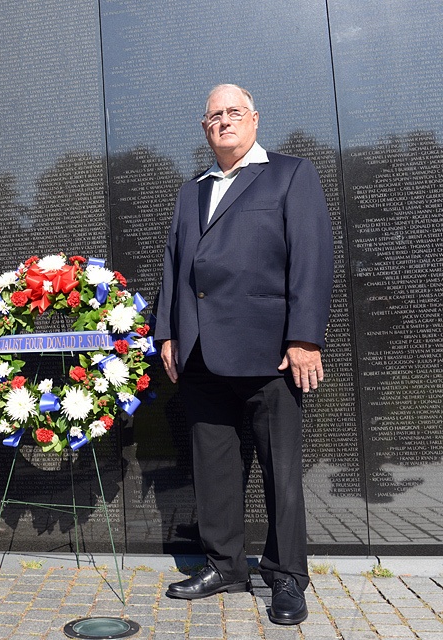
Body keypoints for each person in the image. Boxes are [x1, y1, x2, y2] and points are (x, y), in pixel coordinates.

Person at [155, 84, 333, 625]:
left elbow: (311, 257)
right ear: (204, 128)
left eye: (234, 112)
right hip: (203, 355)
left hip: (270, 354)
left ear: (255, 119)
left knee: (281, 471)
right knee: (213, 469)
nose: (224, 121)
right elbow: (174, 267)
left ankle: (286, 577)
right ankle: (225, 565)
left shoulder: (290, 174)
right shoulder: (192, 191)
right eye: (214, 116)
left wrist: (304, 338)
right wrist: (167, 333)